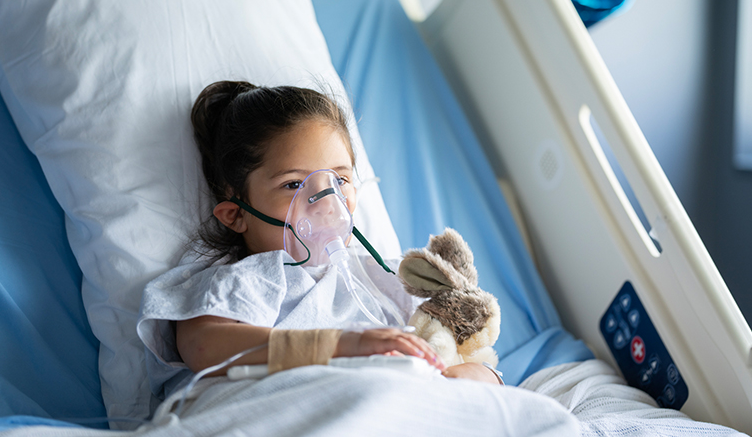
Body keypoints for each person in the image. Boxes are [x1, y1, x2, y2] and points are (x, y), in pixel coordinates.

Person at [137, 81, 500, 402]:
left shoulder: (380, 278)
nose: (326, 203)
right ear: (237, 214)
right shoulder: (244, 282)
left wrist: (477, 376)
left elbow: (445, 350)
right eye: (294, 184)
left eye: (339, 180)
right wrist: (344, 346)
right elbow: (203, 346)